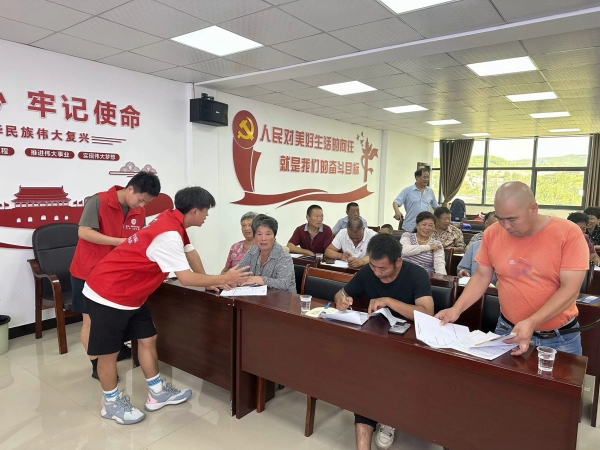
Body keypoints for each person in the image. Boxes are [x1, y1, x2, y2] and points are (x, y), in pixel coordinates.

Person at [83, 186, 252, 425]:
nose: (206, 216)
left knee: (148, 338)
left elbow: (190, 252)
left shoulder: (172, 219)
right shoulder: (169, 234)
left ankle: (157, 392)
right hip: (109, 293)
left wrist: (210, 281)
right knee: (108, 353)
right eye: (206, 211)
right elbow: (186, 278)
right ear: (195, 211)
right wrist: (224, 278)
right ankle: (110, 404)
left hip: (134, 293)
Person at [436, 181, 589, 357]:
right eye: (500, 218)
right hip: (508, 330)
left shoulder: (568, 233)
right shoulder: (492, 233)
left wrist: (532, 322)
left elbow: (570, 289)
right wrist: (456, 309)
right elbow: (481, 277)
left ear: (533, 208)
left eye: (512, 219)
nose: (506, 226)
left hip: (558, 338)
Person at [335, 233, 433, 450]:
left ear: (398, 261)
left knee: (382, 375)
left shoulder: (416, 274)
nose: (377, 272)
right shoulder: (368, 271)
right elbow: (341, 293)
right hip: (376, 342)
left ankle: (388, 417)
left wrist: (388, 301)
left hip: (409, 346)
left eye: (383, 268)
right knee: (365, 376)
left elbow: (428, 313)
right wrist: (340, 300)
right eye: (373, 266)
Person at [70, 172, 161, 380]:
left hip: (116, 274)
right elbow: (83, 232)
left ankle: (111, 354)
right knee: (91, 321)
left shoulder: (139, 211)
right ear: (130, 188)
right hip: (88, 271)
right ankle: (96, 364)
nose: (141, 206)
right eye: (140, 199)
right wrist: (117, 241)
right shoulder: (99, 201)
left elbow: (139, 239)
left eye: (146, 203)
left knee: (110, 320)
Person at [239, 214, 296, 293]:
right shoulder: (253, 249)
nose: (263, 239)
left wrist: (259, 279)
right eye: (259, 234)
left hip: (283, 298)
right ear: (254, 236)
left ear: (274, 236)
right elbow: (240, 270)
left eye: (268, 234)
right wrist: (233, 280)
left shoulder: (284, 256)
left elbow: (283, 283)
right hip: (257, 297)